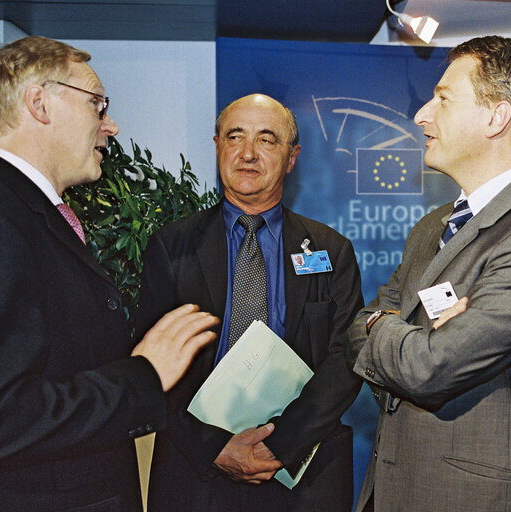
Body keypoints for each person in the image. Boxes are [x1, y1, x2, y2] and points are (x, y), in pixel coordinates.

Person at [0, 36, 219, 512]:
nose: (110, 126)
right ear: (40, 103)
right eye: (97, 104)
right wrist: (143, 375)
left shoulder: (16, 212)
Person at [345, 36, 511, 512]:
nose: (421, 114)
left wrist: (384, 327)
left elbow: (429, 369)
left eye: (443, 98)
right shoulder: (432, 226)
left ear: (496, 118)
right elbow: (361, 324)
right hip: (388, 491)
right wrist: (390, 329)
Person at [134, 93, 364, 511]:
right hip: (196, 467)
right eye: (235, 136)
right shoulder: (172, 246)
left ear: (292, 158)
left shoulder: (332, 250)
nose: (248, 153)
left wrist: (279, 444)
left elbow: (346, 357)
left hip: (302, 468)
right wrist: (215, 447)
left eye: (267, 140)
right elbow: (149, 361)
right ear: (218, 145)